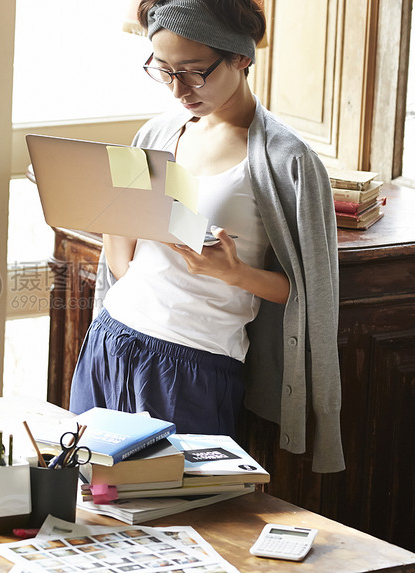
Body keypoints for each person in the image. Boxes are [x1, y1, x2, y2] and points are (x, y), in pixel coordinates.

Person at [68, 0, 344, 472]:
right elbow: (124, 269)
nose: (179, 89)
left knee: (179, 519)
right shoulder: (156, 133)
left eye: (194, 72)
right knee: (89, 499)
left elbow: (309, 297)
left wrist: (233, 272)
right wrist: (110, 215)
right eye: (163, 71)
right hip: (110, 341)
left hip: (193, 364)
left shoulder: (287, 161)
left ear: (241, 58)